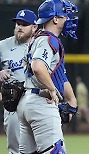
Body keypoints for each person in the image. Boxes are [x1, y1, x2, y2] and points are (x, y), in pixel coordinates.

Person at [16, 0, 78, 153]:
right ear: (55, 19)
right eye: (65, 16)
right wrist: (51, 89)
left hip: (27, 102)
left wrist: (71, 100)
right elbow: (38, 67)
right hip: (41, 102)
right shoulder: (48, 40)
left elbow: (57, 74)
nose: (68, 19)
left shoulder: (36, 38)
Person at [0, 9, 38, 154]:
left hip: (37, 101)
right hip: (14, 103)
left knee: (42, 147)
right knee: (16, 150)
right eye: (18, 24)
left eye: (24, 24)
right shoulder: (3, 45)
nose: (19, 27)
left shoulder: (41, 45)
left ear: (34, 27)